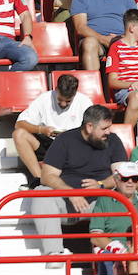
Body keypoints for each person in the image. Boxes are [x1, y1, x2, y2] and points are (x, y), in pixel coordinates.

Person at [29, 105, 127, 256]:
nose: (108, 132)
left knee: (125, 197)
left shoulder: (113, 140)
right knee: (41, 194)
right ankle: (55, 255)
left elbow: (121, 174)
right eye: (104, 128)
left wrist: (101, 185)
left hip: (102, 201)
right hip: (68, 201)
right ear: (89, 127)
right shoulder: (65, 140)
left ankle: (121, 254)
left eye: (109, 127)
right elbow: (47, 176)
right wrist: (71, 193)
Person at [14, 73, 94, 188]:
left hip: (74, 147)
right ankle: (39, 178)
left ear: (75, 94)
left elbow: (92, 130)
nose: (62, 104)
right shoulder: (44, 99)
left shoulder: (85, 102)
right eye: (60, 100)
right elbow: (19, 124)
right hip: (49, 144)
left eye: (68, 102)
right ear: (56, 90)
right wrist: (41, 129)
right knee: (19, 134)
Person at [89, 160, 138, 275]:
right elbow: (95, 237)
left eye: (134, 178)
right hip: (116, 252)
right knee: (107, 258)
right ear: (116, 180)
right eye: (125, 178)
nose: (130, 182)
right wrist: (121, 251)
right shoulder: (104, 200)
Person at [72, 0, 137, 71]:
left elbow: (135, 24)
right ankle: (93, 86)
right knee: (89, 43)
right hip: (96, 41)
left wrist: (122, 38)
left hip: (121, 39)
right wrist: (104, 39)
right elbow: (80, 27)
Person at [105, 9, 138, 127]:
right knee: (137, 97)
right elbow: (112, 81)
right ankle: (126, 136)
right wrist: (131, 84)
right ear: (132, 28)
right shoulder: (116, 48)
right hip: (126, 90)